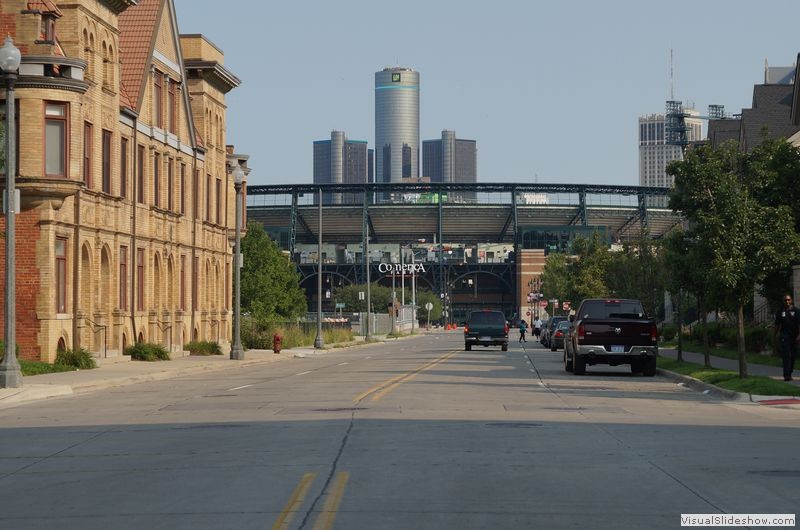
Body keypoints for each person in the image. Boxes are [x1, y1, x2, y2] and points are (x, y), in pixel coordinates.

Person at [774, 293, 799, 381]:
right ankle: (786, 375)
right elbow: (777, 325)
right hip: (784, 336)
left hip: (794, 337)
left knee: (792, 356)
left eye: (788, 300)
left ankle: (790, 373)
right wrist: (775, 335)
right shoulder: (780, 311)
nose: (787, 301)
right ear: (783, 301)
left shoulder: (796, 311)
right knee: (786, 355)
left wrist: (799, 335)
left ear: (791, 300)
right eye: (785, 300)